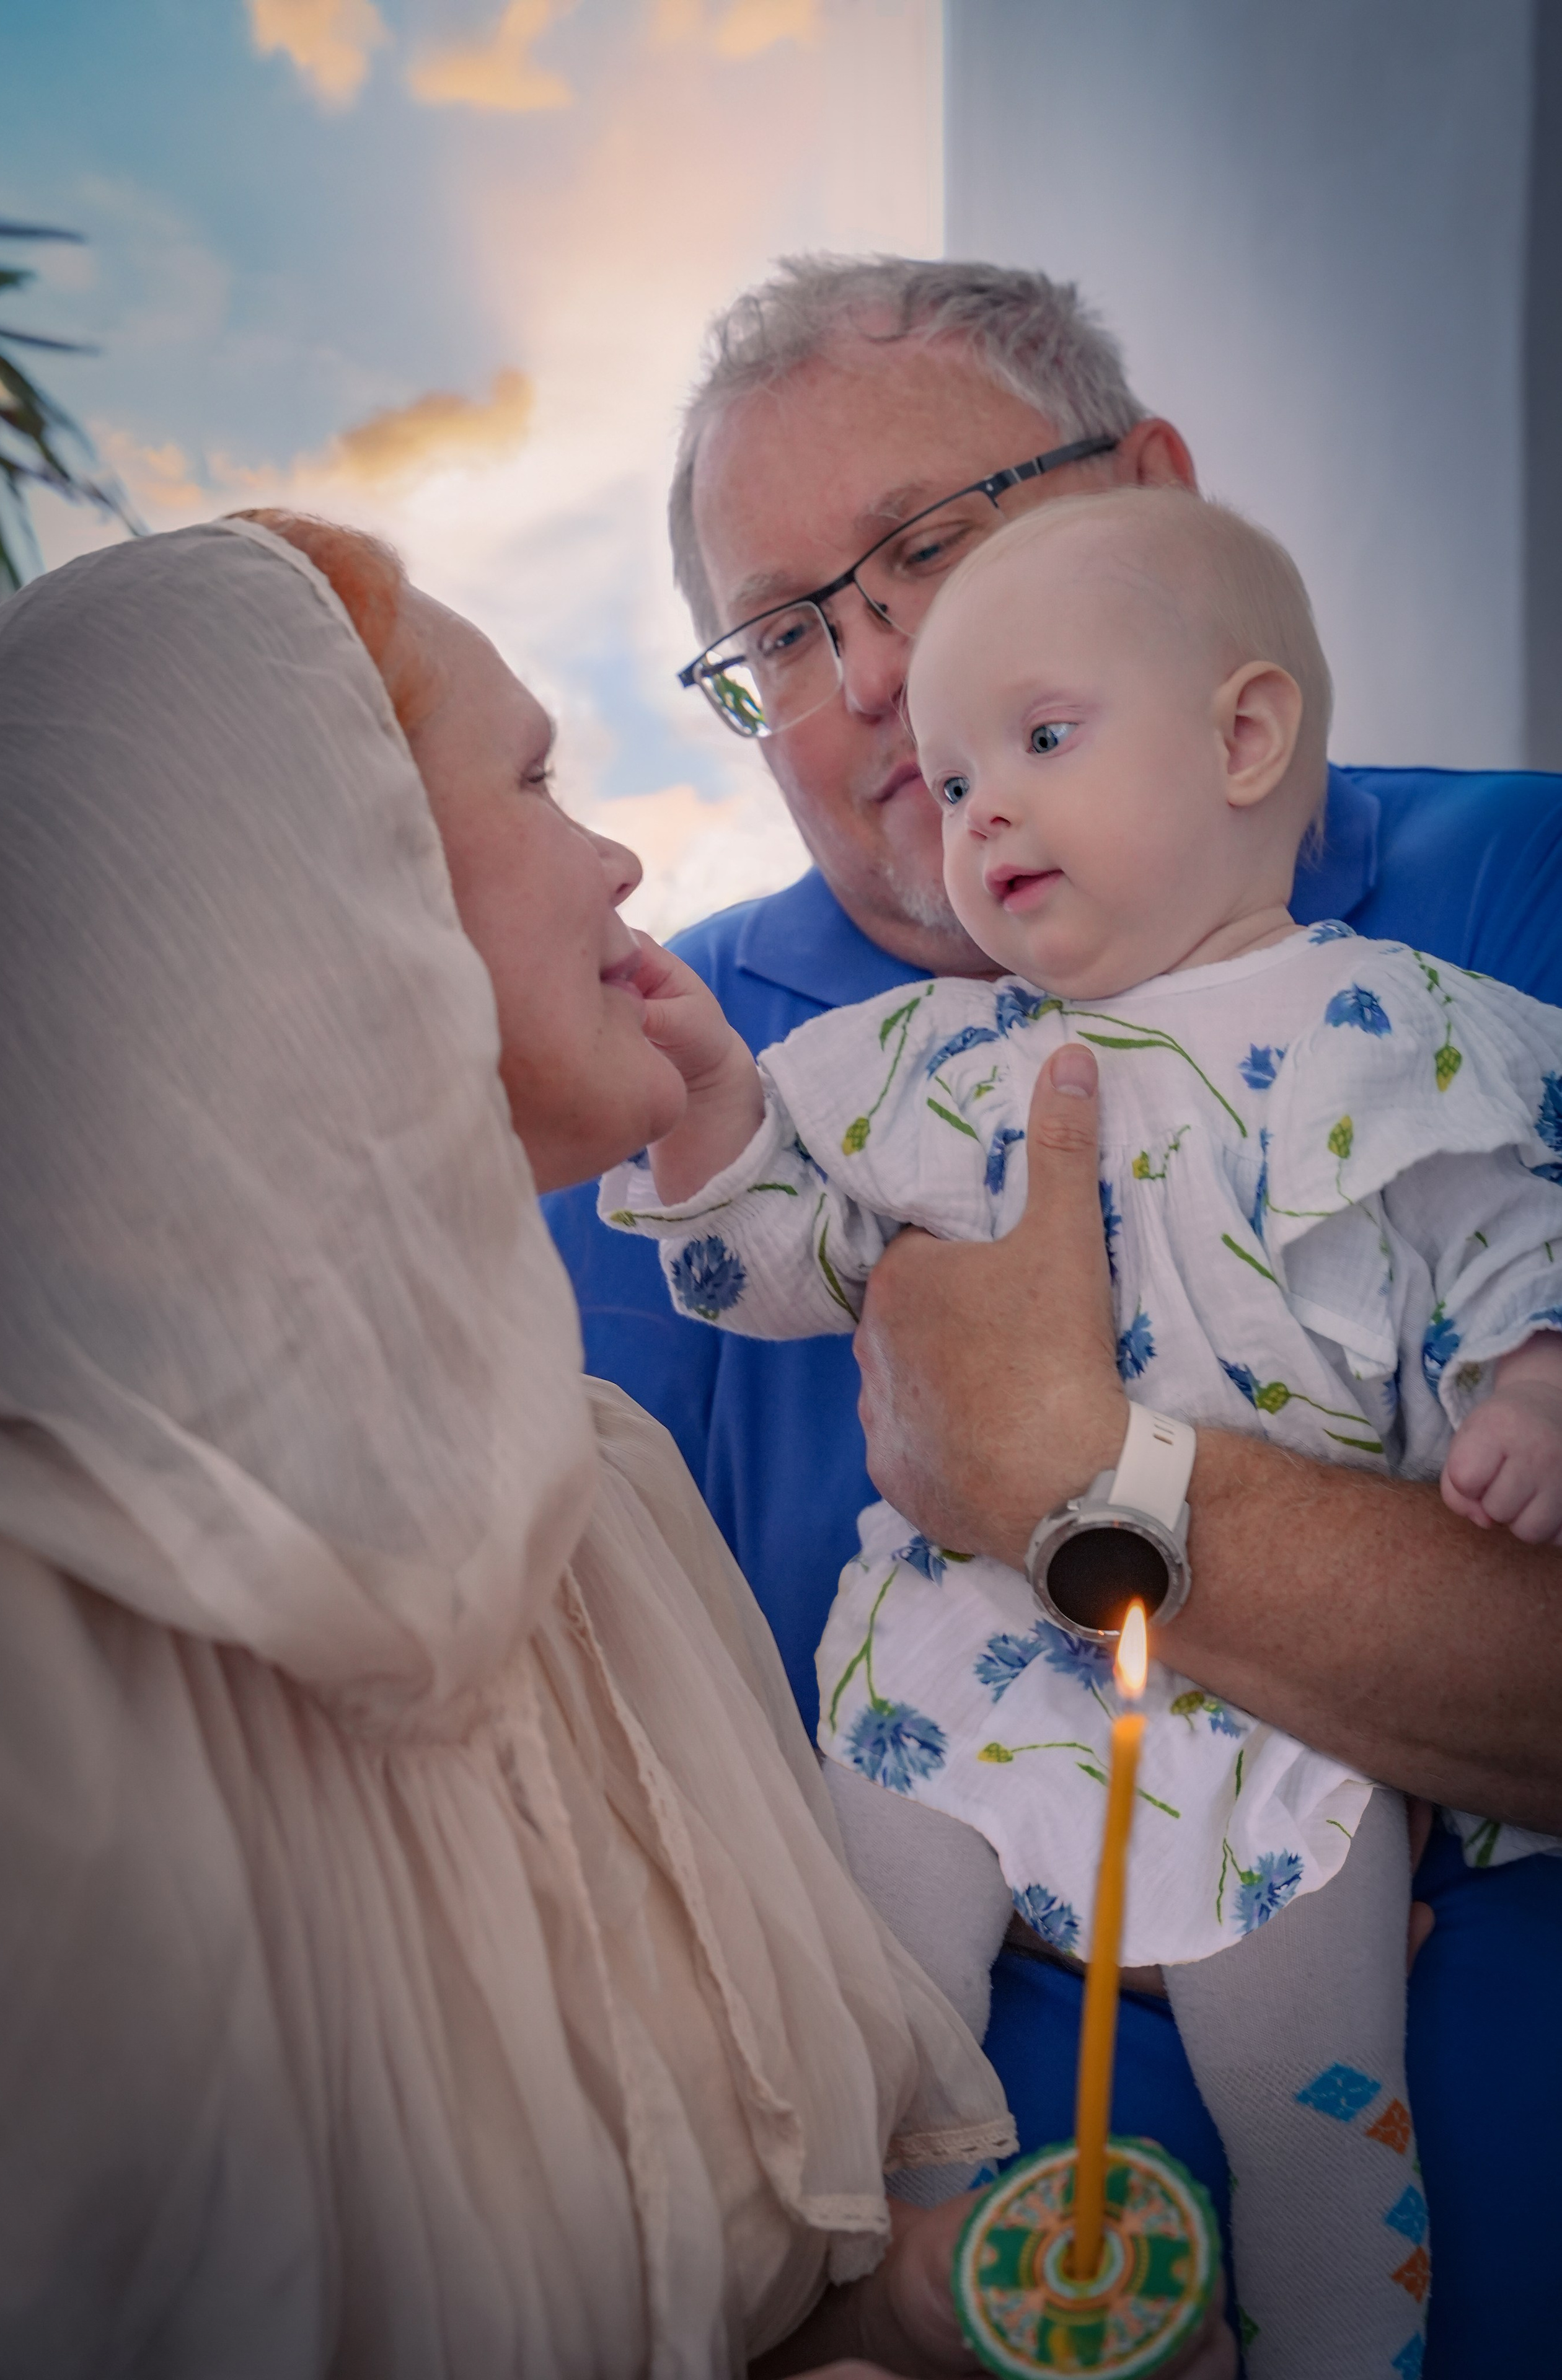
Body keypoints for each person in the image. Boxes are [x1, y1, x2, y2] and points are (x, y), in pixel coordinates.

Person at [0, 509, 1199, 2380]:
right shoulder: (23, 1653)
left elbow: (767, 2277)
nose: (624, 852)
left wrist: (932, 2304)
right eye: (539, 780)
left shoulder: (609, 1491)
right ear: (307, 895)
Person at [541, 255, 1562, 2368]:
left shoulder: (1506, 936)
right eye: (785, 631)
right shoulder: (652, 1071)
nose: (869, 674)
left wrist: (1071, 1475)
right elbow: (570, 1869)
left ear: (1162, 508)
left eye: (926, 549)